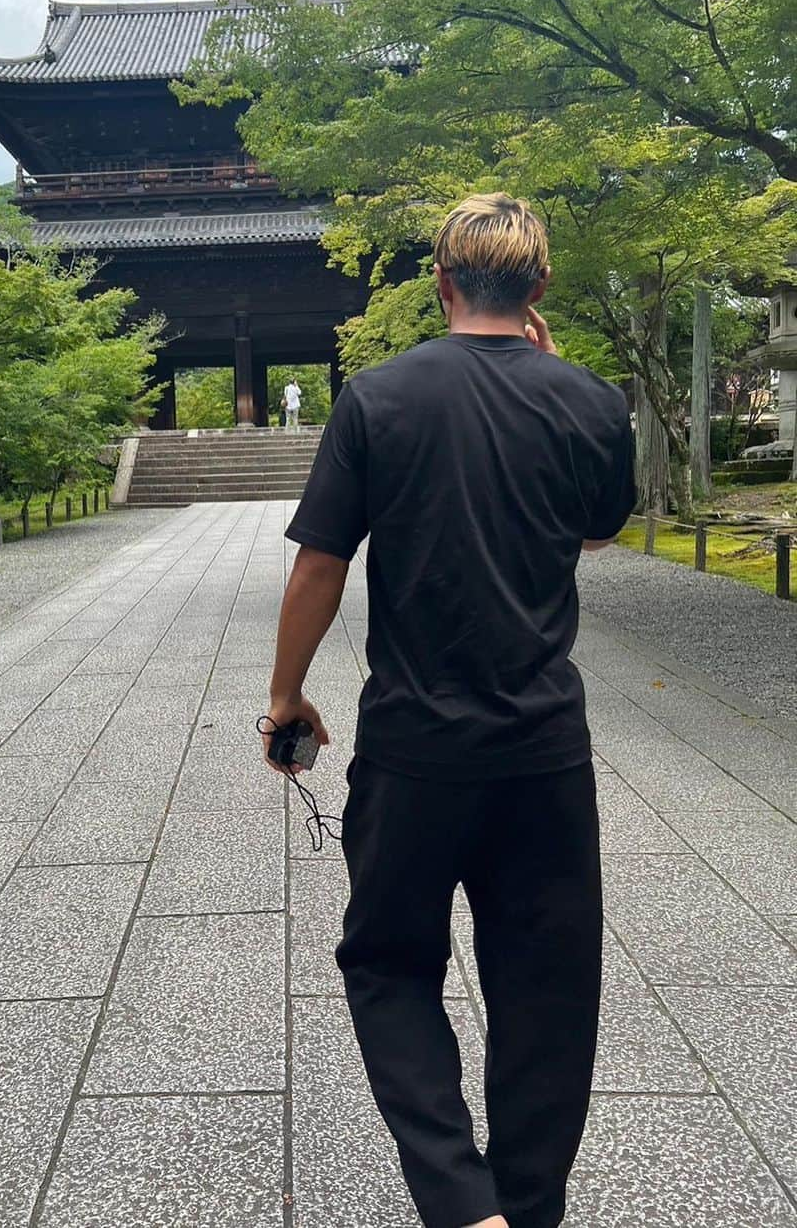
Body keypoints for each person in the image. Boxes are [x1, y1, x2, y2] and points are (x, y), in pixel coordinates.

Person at [262, 193, 636, 1228]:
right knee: (547, 990)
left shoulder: (379, 398)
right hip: (544, 755)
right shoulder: (593, 403)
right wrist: (553, 377)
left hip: (415, 751)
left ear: (440, 282)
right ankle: (528, 1206)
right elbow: (594, 535)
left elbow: (320, 565)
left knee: (387, 964)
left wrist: (288, 695)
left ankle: (461, 1200)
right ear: (539, 290)